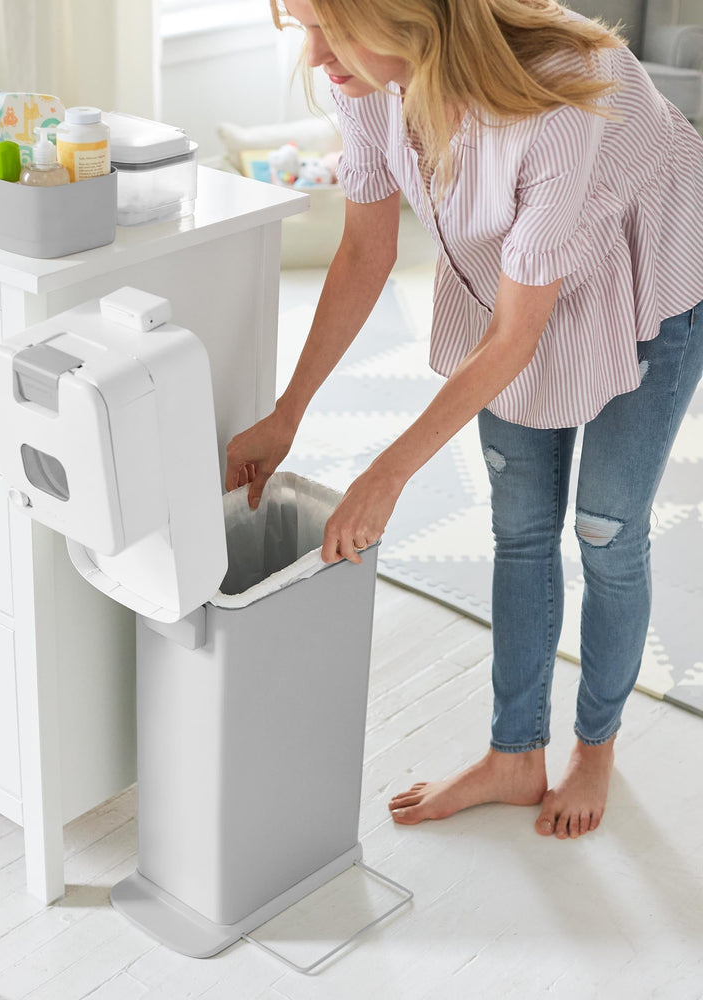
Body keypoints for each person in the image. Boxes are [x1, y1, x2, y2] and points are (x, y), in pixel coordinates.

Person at [224, 0, 703, 840]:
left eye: (330, 26)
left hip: (649, 283)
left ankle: (596, 746)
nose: (317, 55)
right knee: (520, 526)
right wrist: (287, 414)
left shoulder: (560, 99)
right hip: (515, 287)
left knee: (606, 528)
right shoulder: (366, 84)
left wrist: (387, 472)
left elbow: (519, 335)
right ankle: (514, 756)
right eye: (301, 24)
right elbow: (368, 251)